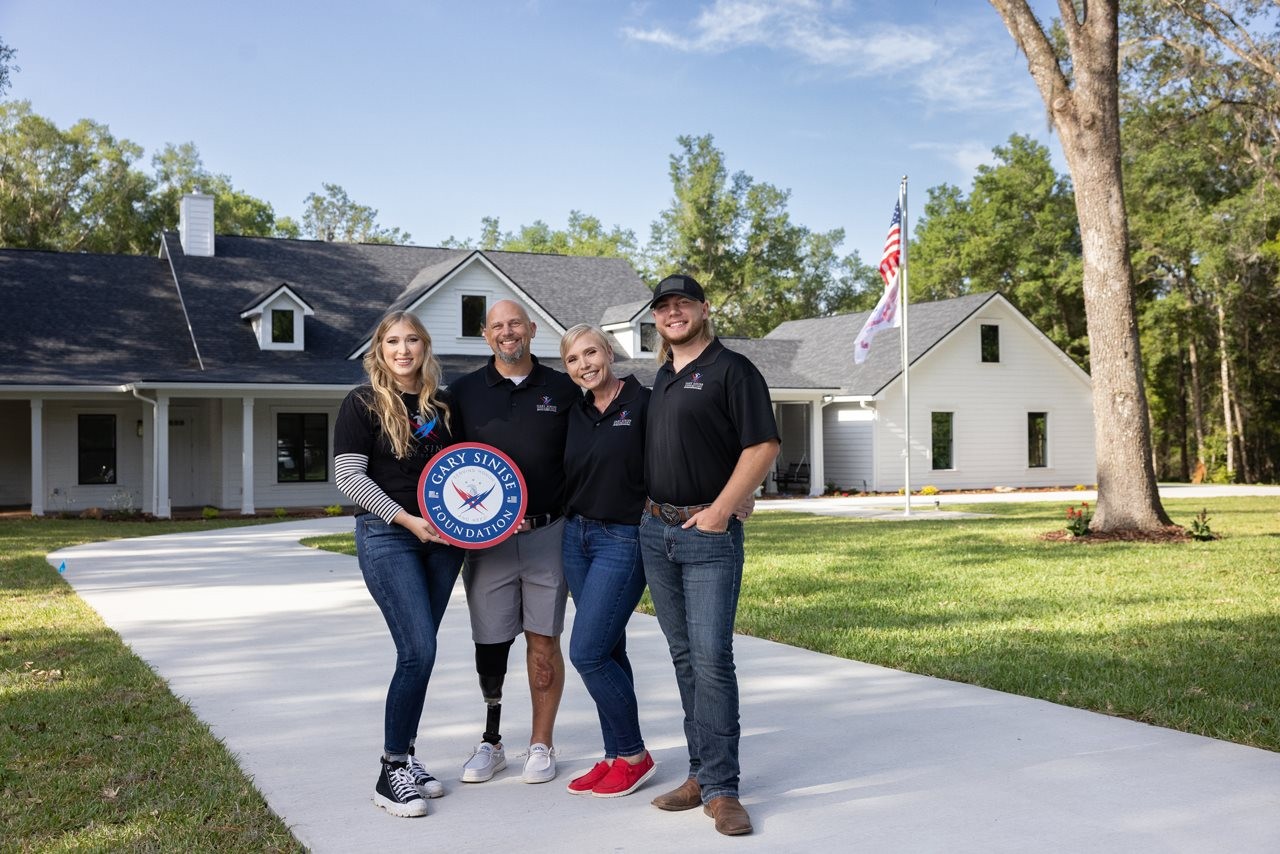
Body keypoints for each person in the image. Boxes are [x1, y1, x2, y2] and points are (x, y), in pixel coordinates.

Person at [640, 274, 780, 837]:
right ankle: (699, 774)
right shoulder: (663, 377)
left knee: (712, 660)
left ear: (703, 309)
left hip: (708, 535)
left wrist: (725, 506)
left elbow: (763, 444)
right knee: (683, 658)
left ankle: (723, 791)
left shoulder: (733, 370)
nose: (673, 313)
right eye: (663, 307)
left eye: (683, 304)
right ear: (655, 319)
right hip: (657, 531)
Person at [333, 310, 464, 818]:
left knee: (421, 654)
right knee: (418, 649)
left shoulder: (445, 405)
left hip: (445, 542)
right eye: (393, 341)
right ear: (380, 350)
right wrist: (406, 519)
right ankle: (391, 771)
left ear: (425, 347)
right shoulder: (362, 403)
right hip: (390, 536)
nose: (403, 349)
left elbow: (466, 468)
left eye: (412, 340)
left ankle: (406, 757)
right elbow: (349, 477)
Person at [448, 299, 579, 784]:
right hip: (487, 542)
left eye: (516, 324)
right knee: (491, 645)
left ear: (532, 329)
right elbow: (432, 458)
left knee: (543, 642)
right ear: (486, 335)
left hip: (549, 532)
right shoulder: (461, 393)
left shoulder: (564, 388)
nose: (508, 333)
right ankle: (492, 741)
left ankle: (540, 744)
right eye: (498, 326)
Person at [558, 324, 657, 798]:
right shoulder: (574, 410)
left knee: (587, 652)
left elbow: (689, 449)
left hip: (623, 537)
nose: (583, 365)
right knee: (610, 650)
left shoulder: (645, 403)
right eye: (573, 360)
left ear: (609, 352)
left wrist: (735, 497)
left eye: (590, 353)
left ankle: (635, 755)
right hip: (575, 536)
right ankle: (613, 754)